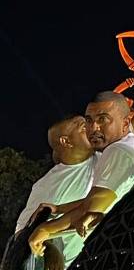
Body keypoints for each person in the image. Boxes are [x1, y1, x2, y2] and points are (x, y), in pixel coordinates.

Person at [28, 92, 134, 257]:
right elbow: (101, 198)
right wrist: (59, 208)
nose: (93, 128)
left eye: (103, 119)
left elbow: (91, 208)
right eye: (89, 121)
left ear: (125, 124)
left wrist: (46, 229)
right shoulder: (130, 144)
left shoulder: (119, 151)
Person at [15, 115, 97, 269]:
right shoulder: (46, 186)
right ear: (66, 141)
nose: (91, 127)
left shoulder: (107, 158)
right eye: (82, 126)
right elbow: (22, 234)